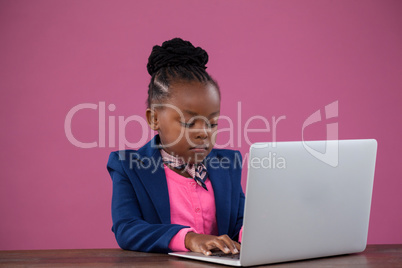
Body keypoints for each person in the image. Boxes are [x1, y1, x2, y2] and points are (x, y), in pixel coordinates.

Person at [107, 37, 244, 255]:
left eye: (212, 123)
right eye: (189, 122)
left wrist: (255, 234)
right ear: (154, 119)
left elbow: (240, 223)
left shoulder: (228, 164)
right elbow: (127, 229)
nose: (203, 132)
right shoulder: (129, 166)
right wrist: (189, 239)